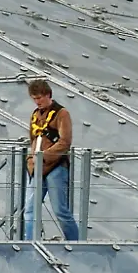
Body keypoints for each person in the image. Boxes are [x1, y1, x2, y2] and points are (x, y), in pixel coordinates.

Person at [24, 78, 79, 242]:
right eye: (34, 98)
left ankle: (74, 243)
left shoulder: (61, 113)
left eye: (39, 98)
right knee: (30, 209)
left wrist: (45, 156)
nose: (37, 102)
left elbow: (65, 142)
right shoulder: (35, 114)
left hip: (55, 166)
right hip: (37, 167)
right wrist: (31, 159)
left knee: (60, 209)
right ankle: (30, 243)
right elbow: (33, 139)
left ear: (48, 95)